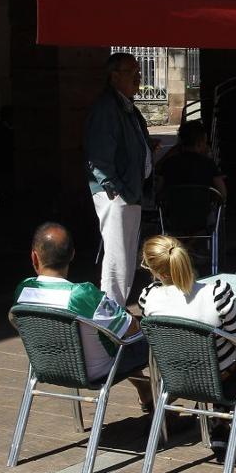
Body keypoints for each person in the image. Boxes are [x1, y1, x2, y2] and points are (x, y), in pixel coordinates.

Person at [138, 236, 236, 457]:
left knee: (228, 359)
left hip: (177, 381)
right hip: (223, 382)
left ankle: (220, 425)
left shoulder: (147, 298)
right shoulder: (216, 293)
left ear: (157, 271)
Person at [14, 222, 152, 408]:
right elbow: (130, 329)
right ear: (72, 254)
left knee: (105, 333)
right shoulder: (82, 295)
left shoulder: (23, 291)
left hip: (48, 366)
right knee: (152, 336)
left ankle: (146, 391)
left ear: (34, 257)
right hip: (96, 371)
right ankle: (161, 411)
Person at [85, 52, 156, 309]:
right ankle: (111, 311)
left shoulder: (126, 106)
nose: (138, 76)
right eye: (132, 71)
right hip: (118, 192)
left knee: (126, 256)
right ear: (114, 76)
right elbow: (98, 155)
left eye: (138, 71)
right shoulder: (108, 108)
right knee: (118, 258)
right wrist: (114, 188)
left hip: (130, 190)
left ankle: (117, 308)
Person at [155, 120, 227, 200]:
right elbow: (222, 193)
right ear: (200, 143)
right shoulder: (209, 164)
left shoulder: (169, 163)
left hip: (174, 210)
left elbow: (158, 191)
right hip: (202, 209)